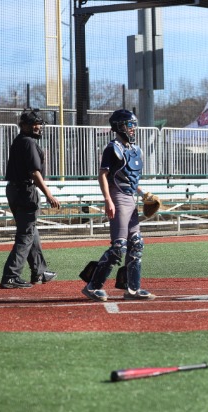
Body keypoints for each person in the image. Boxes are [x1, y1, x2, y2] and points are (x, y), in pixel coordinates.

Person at [81, 109, 156, 302]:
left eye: (134, 125)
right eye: (129, 125)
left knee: (136, 243)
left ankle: (133, 289)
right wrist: (108, 200)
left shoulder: (135, 149)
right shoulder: (112, 148)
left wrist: (143, 194)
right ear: (119, 126)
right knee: (119, 246)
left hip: (130, 198)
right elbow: (103, 175)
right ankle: (92, 286)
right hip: (118, 197)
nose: (133, 128)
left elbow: (130, 179)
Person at [0, 109, 61, 289]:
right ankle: (11, 276)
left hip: (14, 190)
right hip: (25, 192)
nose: (38, 126)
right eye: (35, 123)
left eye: (39, 123)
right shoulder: (29, 142)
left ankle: (40, 271)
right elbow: (34, 172)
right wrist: (49, 194)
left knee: (30, 231)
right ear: (24, 126)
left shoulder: (19, 140)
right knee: (26, 234)